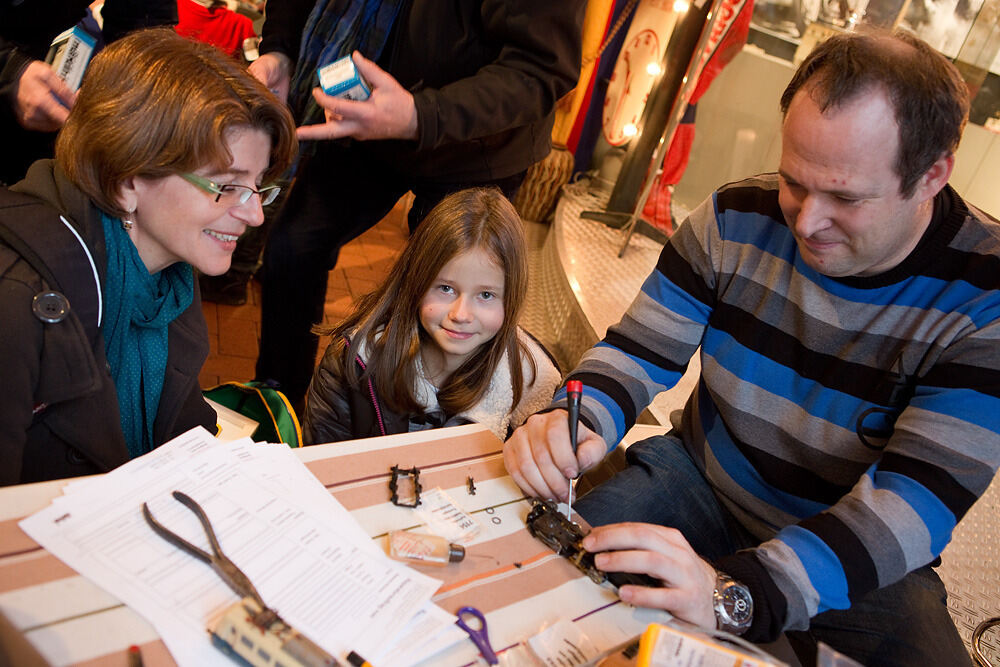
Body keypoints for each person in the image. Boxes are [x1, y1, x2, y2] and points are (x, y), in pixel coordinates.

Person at [503, 29, 997, 667]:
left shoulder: (986, 297)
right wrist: (578, 418)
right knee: (537, 586)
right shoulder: (735, 216)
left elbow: (913, 504)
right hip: (702, 482)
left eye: (845, 197)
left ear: (932, 176)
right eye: (795, 182)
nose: (806, 221)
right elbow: (637, 351)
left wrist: (737, 593)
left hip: (858, 540)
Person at [243, 0, 584, 412]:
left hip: (479, 141)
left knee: (445, 301)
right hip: (364, 113)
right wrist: (280, 49)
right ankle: (276, 407)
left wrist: (421, 115)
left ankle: (418, 426)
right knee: (291, 249)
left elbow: (542, 68)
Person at [0, 28, 297, 486]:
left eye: (258, 186)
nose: (255, 214)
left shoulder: (165, 272)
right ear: (128, 180)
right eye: (226, 186)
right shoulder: (16, 301)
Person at [305, 188, 562, 445]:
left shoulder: (532, 382)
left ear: (512, 298)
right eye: (446, 288)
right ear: (416, 281)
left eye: (485, 295)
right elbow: (321, 467)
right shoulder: (352, 362)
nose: (461, 314)